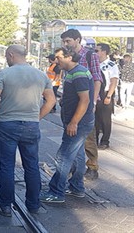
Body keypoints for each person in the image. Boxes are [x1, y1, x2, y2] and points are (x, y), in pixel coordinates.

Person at [0, 45, 55, 216]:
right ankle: (33, 204)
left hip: (7, 124)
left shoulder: (4, 73)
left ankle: (4, 205)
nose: (6, 59)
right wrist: (37, 117)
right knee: (32, 166)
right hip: (31, 125)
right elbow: (51, 101)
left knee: (7, 166)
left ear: (11, 55)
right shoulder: (41, 74)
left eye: (6, 56)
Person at [40, 47, 94, 203]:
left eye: (59, 57)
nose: (56, 61)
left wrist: (74, 122)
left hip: (79, 123)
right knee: (77, 155)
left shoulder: (78, 73)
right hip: (79, 122)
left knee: (63, 157)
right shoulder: (73, 72)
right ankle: (77, 187)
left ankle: (56, 191)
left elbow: (85, 100)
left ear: (69, 57)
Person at [60, 29, 103, 181]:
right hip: (72, 103)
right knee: (72, 137)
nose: (66, 44)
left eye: (68, 41)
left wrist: (92, 102)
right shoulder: (67, 56)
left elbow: (97, 78)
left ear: (78, 40)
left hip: (85, 102)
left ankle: (92, 166)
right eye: (64, 41)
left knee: (88, 137)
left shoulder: (90, 55)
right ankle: (74, 171)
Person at [87, 43, 119, 150]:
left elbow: (114, 81)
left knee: (105, 120)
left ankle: (105, 140)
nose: (95, 53)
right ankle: (94, 140)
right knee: (94, 118)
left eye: (97, 51)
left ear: (104, 52)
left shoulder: (111, 65)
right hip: (95, 93)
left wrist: (109, 96)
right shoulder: (94, 63)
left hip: (105, 93)